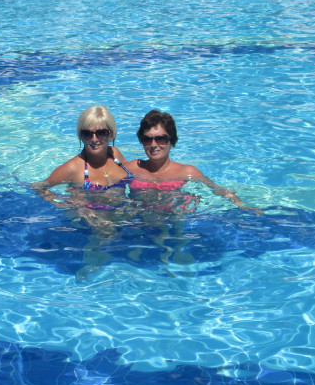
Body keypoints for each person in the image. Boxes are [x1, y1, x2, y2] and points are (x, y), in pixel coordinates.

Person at [33, 106, 132, 279]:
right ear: (81, 136)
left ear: (111, 134)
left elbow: (134, 177)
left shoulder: (115, 154)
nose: (94, 139)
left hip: (120, 218)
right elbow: (38, 187)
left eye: (101, 133)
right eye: (88, 134)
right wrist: (70, 207)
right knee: (95, 271)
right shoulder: (74, 168)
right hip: (92, 227)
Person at [125, 110, 261, 215]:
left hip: (174, 221)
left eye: (160, 139)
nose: (153, 145)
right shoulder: (133, 168)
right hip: (139, 220)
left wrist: (241, 205)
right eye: (147, 139)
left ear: (171, 142)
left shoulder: (186, 172)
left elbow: (216, 189)